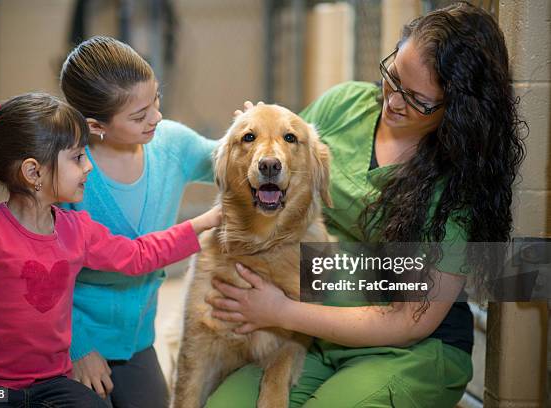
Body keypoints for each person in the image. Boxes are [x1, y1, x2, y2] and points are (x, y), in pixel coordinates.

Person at [206, 2, 525, 407]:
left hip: (406, 350)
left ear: (458, 110)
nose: (393, 102)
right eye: (393, 77)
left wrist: (280, 311)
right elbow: (275, 178)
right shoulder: (344, 106)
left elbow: (407, 323)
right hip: (312, 332)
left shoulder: (457, 185)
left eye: (418, 100)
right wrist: (248, 141)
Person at [0, 93, 221, 407]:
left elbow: (139, 255)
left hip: (52, 383)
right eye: (76, 157)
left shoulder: (77, 230)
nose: (88, 166)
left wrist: (205, 223)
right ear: (33, 173)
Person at [59, 36, 217, 407]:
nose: (156, 118)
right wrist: (77, 348)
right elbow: (43, 279)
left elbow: (230, 161)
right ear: (96, 125)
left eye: (156, 100)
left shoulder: (172, 144)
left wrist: (257, 130)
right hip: (70, 337)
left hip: (137, 341)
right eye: (139, 115)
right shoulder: (67, 174)